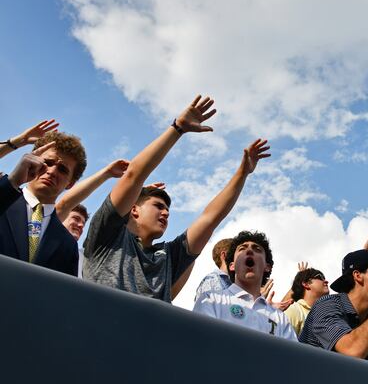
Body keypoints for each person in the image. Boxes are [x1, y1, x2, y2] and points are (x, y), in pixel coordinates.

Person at [83, 95, 270, 303]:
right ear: (134, 209)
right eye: (158, 206)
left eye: (168, 210)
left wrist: (242, 173)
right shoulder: (108, 234)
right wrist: (177, 128)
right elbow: (134, 174)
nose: (165, 213)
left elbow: (210, 218)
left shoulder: (168, 256)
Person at [0, 131, 87, 275]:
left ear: (70, 183)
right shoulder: (4, 197)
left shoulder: (68, 245)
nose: (52, 171)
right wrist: (13, 181)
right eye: (47, 162)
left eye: (62, 169)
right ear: (31, 160)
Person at [193, 231, 296, 340]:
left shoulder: (280, 318)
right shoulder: (211, 300)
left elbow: (292, 356)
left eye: (257, 249)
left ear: (267, 266)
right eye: (242, 249)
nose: (250, 250)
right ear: (232, 265)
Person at [285, 267, 329, 336]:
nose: (326, 281)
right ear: (306, 284)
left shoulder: (328, 315)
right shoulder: (294, 310)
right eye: (320, 277)